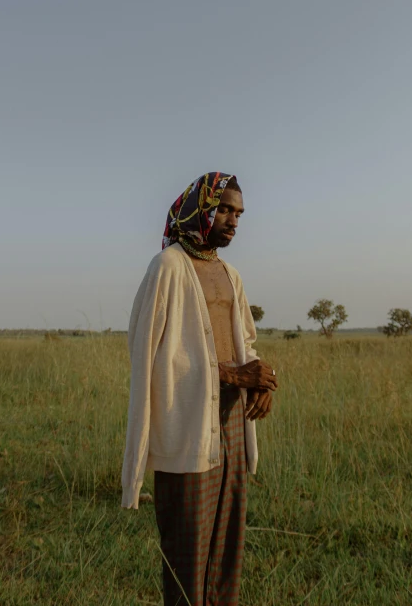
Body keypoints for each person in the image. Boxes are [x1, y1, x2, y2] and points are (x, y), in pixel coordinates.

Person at [121, 171, 278, 606]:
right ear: (201, 208)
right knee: (187, 558)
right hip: (187, 428)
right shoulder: (167, 266)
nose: (234, 221)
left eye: (239, 214)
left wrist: (258, 378)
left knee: (227, 552)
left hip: (230, 422)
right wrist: (230, 375)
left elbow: (243, 341)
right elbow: (147, 354)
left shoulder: (230, 273)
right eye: (225, 209)